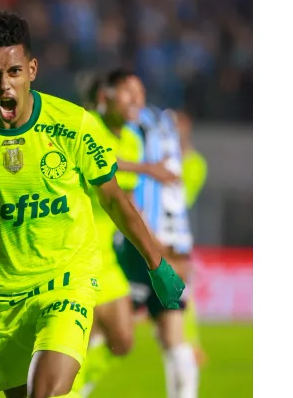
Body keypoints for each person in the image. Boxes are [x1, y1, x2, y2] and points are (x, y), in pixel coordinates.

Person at [0, 11, 185, 398]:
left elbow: (114, 199)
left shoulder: (73, 126)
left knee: (44, 393)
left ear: (32, 69)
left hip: (67, 283)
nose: (4, 85)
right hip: (2, 301)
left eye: (14, 71)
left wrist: (157, 264)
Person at [72, 70, 178, 397]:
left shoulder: (132, 138)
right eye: (129, 91)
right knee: (73, 343)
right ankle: (66, 390)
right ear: (105, 96)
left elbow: (125, 200)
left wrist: (153, 244)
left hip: (105, 257)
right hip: (72, 254)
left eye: (141, 92)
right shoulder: (84, 124)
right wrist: (148, 169)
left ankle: (72, 388)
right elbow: (105, 163)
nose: (137, 99)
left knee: (123, 339)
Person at [117, 74, 199, 398]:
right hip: (172, 243)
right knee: (172, 337)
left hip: (145, 245)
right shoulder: (174, 148)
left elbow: (130, 192)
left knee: (107, 330)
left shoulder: (136, 131)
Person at [174, 109, 208, 366]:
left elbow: (182, 197)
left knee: (184, 290)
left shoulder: (195, 163)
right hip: (146, 232)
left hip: (175, 234)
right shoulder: (157, 157)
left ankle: (190, 344)